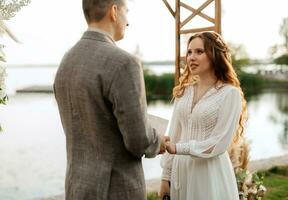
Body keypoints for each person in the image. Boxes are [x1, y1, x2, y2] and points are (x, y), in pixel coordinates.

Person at [54, 0, 168, 199]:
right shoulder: (125, 63)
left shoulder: (67, 60)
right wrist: (159, 142)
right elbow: (138, 140)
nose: (128, 21)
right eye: (127, 12)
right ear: (114, 12)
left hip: (76, 187)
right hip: (115, 189)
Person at [159, 31, 247, 200]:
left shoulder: (230, 94)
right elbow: (174, 134)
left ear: (215, 55)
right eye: (189, 52)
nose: (191, 57)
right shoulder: (183, 91)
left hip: (208, 173)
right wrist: (165, 177)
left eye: (199, 52)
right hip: (180, 172)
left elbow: (219, 143)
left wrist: (179, 148)